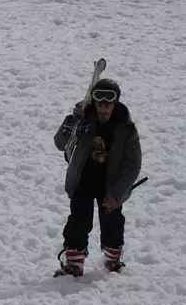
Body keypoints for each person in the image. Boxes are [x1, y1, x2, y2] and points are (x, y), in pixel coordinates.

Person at [52, 78, 142, 277]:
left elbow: (133, 165)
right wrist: (71, 120)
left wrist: (117, 193)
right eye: (99, 102)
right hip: (82, 181)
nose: (103, 108)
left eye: (108, 102)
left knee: (112, 222)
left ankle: (113, 261)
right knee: (78, 221)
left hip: (110, 184)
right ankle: (74, 263)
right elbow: (60, 143)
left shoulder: (126, 129)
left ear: (115, 103)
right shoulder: (82, 120)